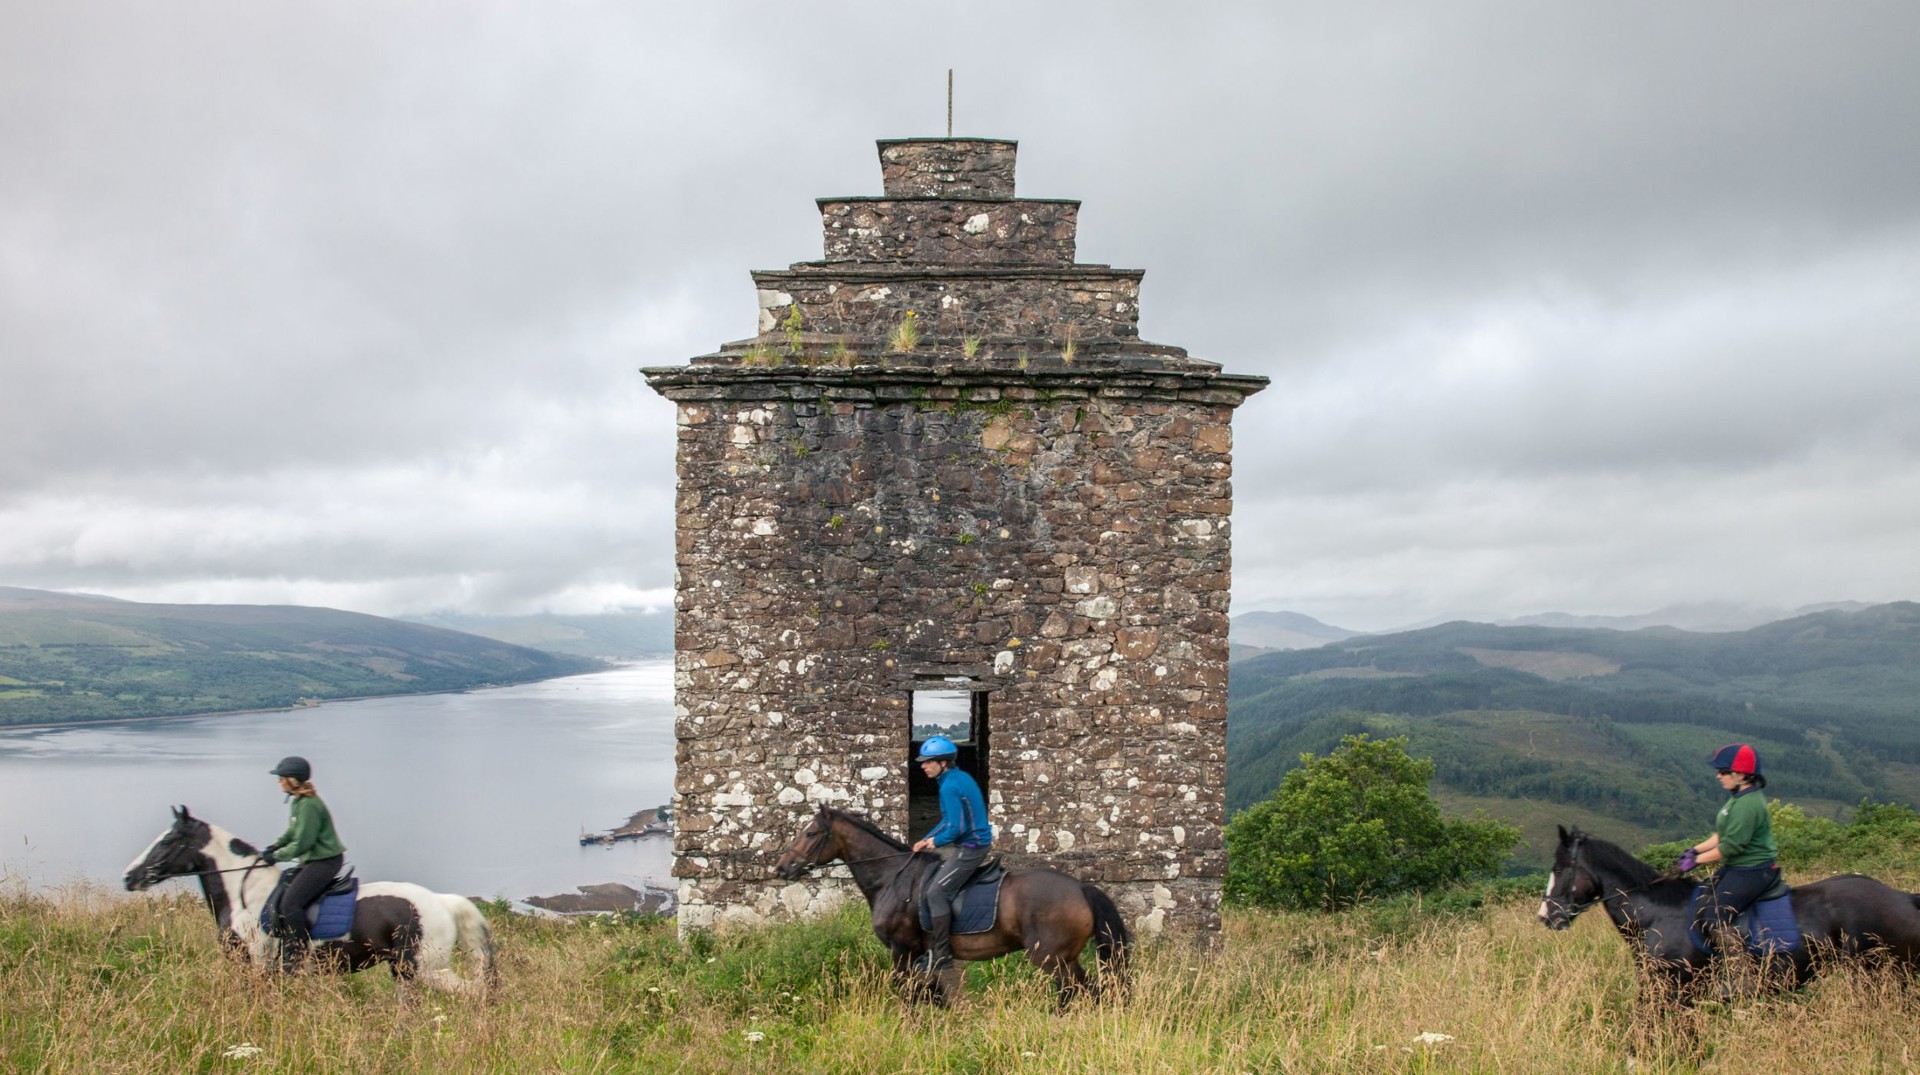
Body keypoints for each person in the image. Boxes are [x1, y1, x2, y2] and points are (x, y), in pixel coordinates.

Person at [1676, 743, 1779, 959]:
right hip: (1739, 867)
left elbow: (1731, 846)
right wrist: (1694, 850)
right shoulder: (1738, 797)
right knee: (1702, 898)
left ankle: (1740, 972)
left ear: (1742, 775)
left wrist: (1697, 860)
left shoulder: (1747, 805)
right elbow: (1721, 835)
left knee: (1715, 916)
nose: (1718, 776)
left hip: (1753, 870)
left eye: (1723, 772)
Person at [909, 736, 992, 972]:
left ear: (943, 763)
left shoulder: (949, 786)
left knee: (935, 892)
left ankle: (942, 956)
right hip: (970, 843)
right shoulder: (956, 778)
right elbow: (948, 820)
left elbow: (957, 828)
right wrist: (926, 838)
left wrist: (936, 841)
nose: (923, 766)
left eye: (928, 762)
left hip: (972, 847)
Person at [260, 755, 347, 972]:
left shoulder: (309, 805)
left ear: (292, 780)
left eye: (281, 778)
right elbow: (292, 832)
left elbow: (302, 843)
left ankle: (297, 954)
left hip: (324, 862)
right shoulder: (298, 801)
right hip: (314, 860)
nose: (278, 782)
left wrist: (277, 857)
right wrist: (275, 846)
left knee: (291, 903)